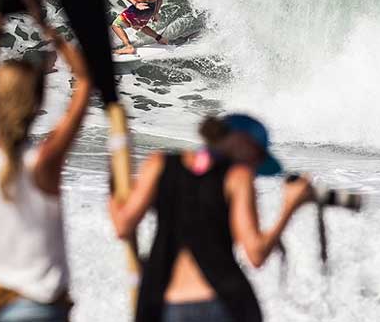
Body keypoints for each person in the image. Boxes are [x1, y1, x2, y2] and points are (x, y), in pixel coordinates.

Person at [0, 0, 91, 322]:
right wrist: (45, 24)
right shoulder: (46, 158)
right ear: (39, 102)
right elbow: (86, 80)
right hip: (35, 300)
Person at [108, 114, 314, 322]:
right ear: (242, 141)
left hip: (165, 304)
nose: (255, 166)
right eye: (258, 155)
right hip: (222, 301)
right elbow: (256, 253)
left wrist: (114, 180)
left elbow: (122, 226)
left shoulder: (159, 164)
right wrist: (290, 206)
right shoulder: (237, 177)